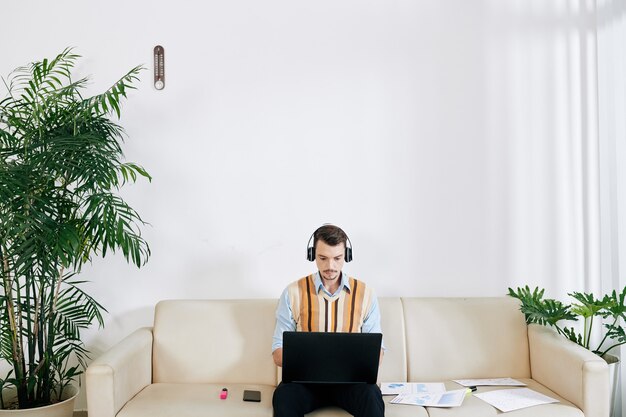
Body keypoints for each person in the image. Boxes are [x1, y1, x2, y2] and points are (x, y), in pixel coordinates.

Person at [271, 224, 385, 417]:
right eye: (322, 258)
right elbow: (277, 352)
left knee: (372, 397)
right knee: (283, 397)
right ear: (312, 255)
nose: (330, 266)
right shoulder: (292, 293)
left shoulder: (366, 294)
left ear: (346, 256)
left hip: (351, 385)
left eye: (337, 258)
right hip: (304, 385)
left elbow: (377, 354)